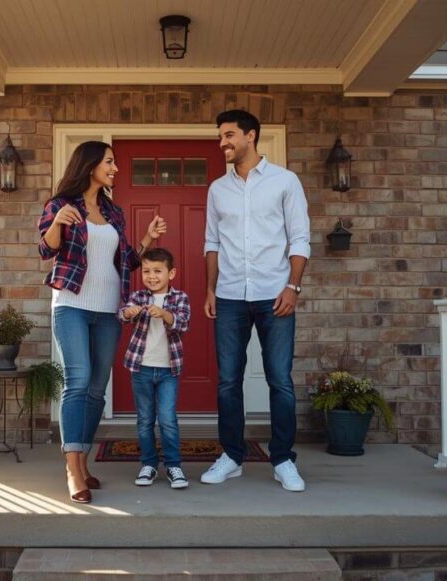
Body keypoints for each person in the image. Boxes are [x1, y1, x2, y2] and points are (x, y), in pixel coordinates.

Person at [38, 141, 166, 503]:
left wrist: (147, 239)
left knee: (97, 389)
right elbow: (46, 250)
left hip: (109, 309)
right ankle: (72, 468)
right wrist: (57, 225)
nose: (115, 168)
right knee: (77, 382)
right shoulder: (61, 205)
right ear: (91, 164)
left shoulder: (113, 212)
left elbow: (125, 259)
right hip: (72, 305)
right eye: (109, 162)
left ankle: (83, 460)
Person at [200, 110, 311, 492]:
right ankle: (232, 456)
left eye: (229, 135)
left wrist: (292, 287)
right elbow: (211, 242)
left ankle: (282, 459)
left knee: (279, 380)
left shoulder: (285, 181)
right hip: (229, 296)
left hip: (274, 295)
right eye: (220, 137)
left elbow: (299, 239)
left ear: (251, 136)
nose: (223, 143)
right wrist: (211, 289)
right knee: (228, 382)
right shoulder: (218, 189)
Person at [119, 248, 192, 490]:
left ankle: (173, 465)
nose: (152, 276)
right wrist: (128, 312)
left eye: (158, 271)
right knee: (145, 419)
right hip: (140, 369)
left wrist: (164, 314)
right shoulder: (139, 297)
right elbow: (123, 314)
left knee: (168, 419)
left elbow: (182, 323)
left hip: (168, 371)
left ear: (171, 273)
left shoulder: (179, 297)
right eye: (147, 271)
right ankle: (148, 464)